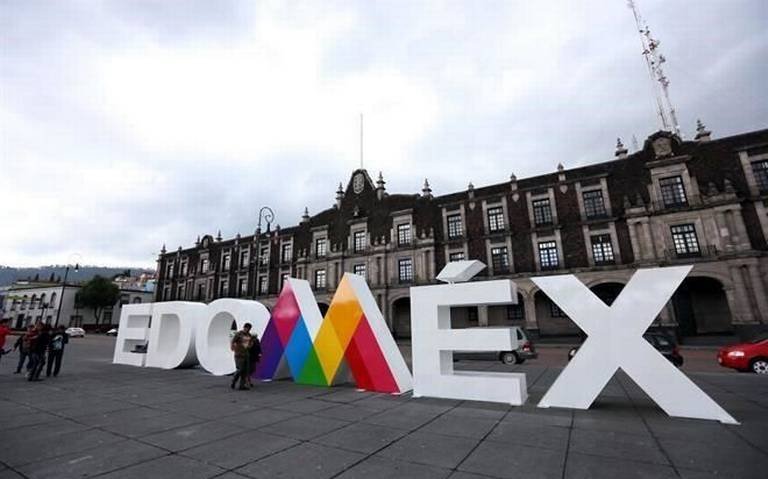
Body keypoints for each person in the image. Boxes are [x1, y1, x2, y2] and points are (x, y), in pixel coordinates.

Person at [230, 323, 253, 390]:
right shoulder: (239, 334)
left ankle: (242, 385)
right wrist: (232, 347)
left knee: (245, 371)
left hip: (246, 354)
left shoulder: (249, 335)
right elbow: (233, 341)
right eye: (247, 328)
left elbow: (251, 343)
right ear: (244, 327)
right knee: (240, 369)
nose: (248, 330)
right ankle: (234, 381)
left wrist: (250, 345)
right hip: (239, 354)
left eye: (249, 329)